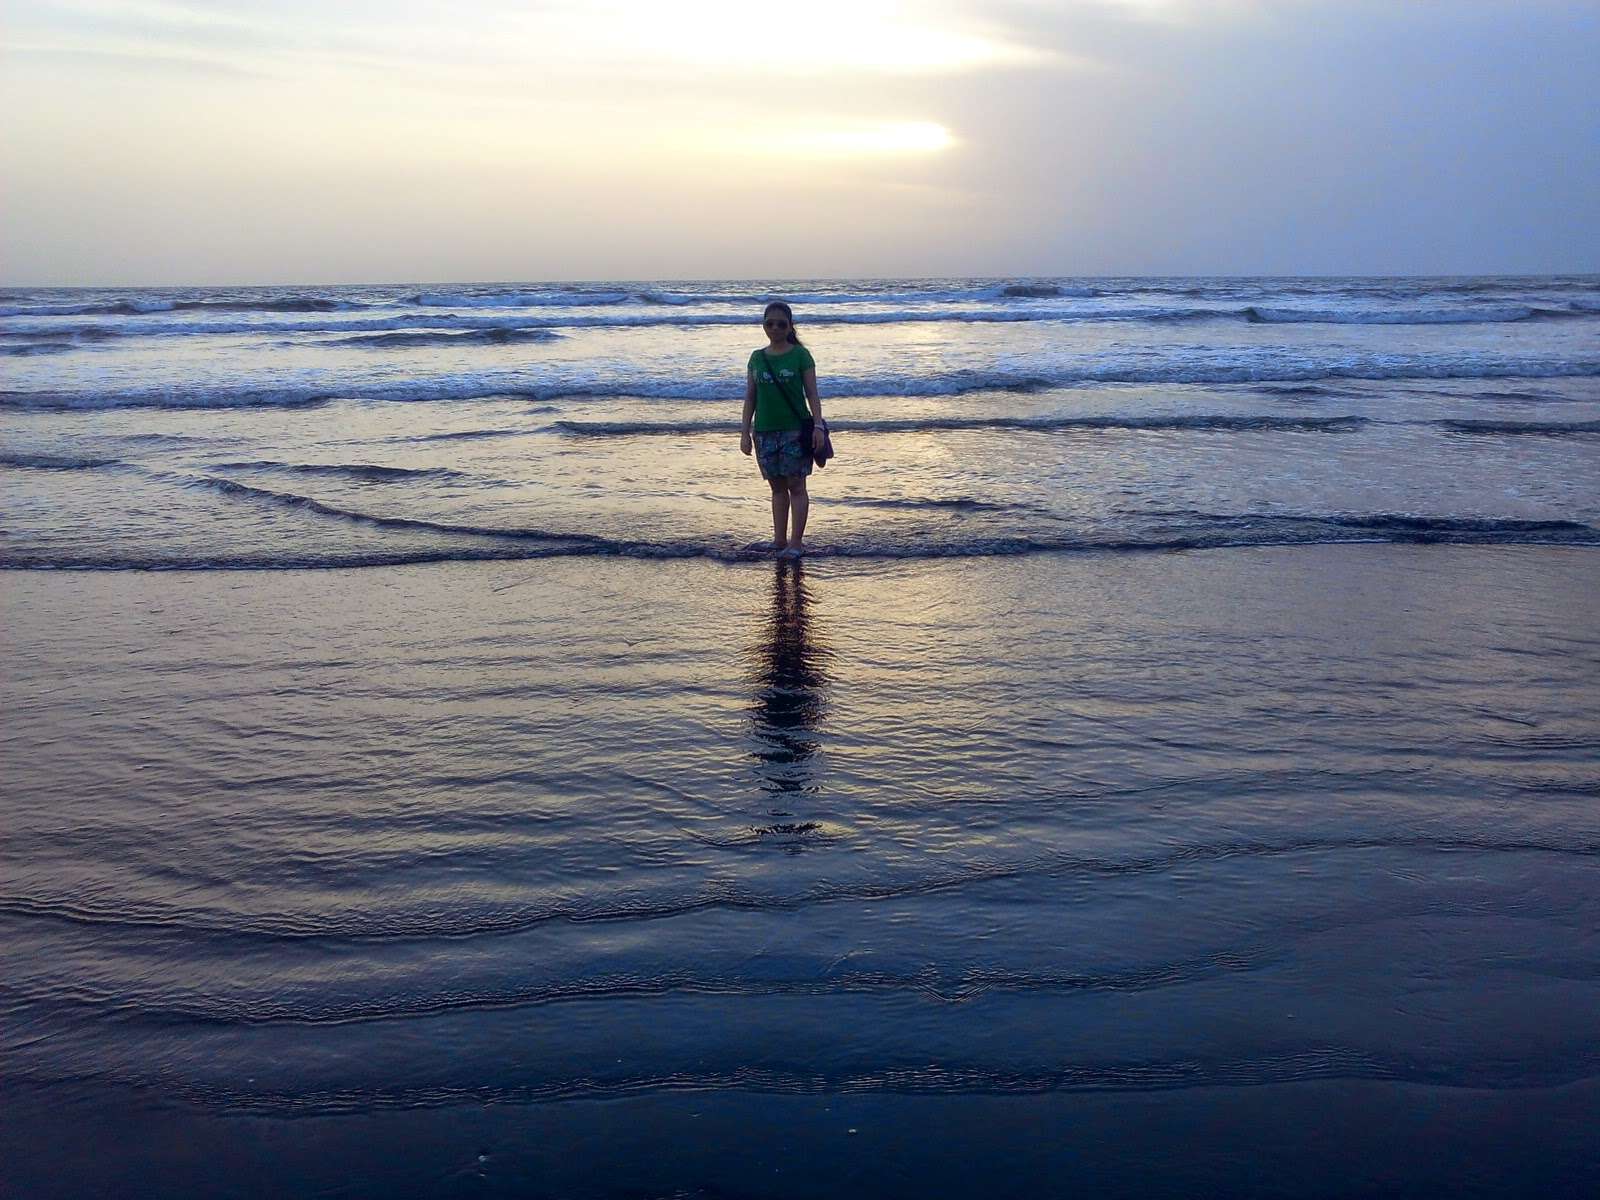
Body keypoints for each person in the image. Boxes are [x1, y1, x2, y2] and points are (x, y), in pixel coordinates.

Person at [741, 301, 825, 557]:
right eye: (770, 323)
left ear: (790, 326)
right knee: (777, 488)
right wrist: (745, 432)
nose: (775, 328)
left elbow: (812, 394)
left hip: (795, 431)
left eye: (781, 324)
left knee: (796, 486)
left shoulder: (800, 355)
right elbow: (750, 397)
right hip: (764, 431)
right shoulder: (757, 358)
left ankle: (796, 543)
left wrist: (818, 426)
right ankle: (779, 540)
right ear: (763, 325)